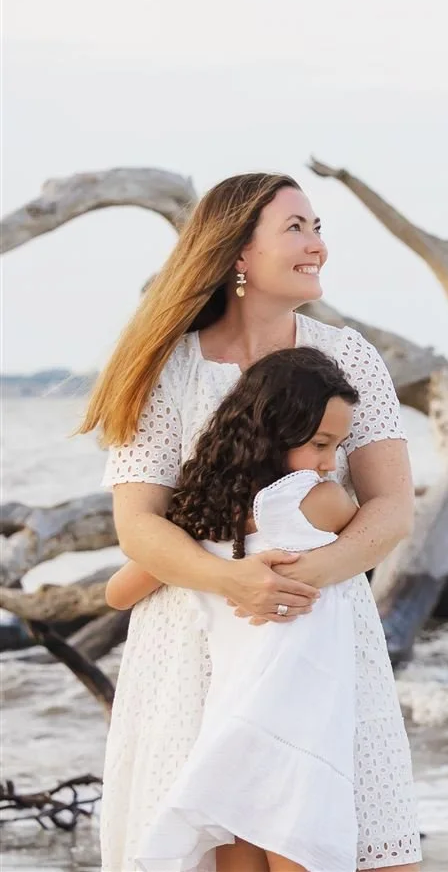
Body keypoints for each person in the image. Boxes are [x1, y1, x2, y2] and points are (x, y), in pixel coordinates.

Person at [84, 173, 422, 872]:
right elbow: (140, 526)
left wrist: (313, 572)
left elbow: (392, 506)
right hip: (195, 645)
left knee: (362, 845)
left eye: (318, 226)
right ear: (239, 250)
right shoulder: (166, 367)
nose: (318, 245)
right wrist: (235, 580)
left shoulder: (349, 355)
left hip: (323, 641)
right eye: (296, 227)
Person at [109, 347, 373, 872]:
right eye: (322, 444)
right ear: (275, 430)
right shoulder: (316, 500)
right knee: (305, 846)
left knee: (239, 847)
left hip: (233, 712)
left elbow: (118, 592)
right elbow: (373, 537)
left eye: (339, 447)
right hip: (301, 715)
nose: (329, 463)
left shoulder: (199, 515)